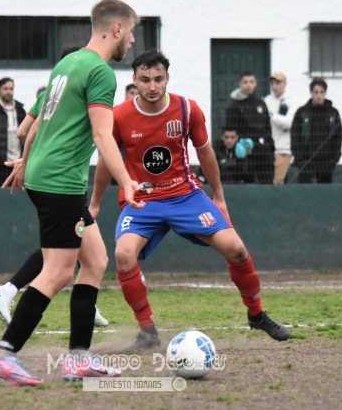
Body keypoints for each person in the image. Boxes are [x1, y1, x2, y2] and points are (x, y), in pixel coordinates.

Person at [0, 0, 143, 387]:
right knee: (56, 272)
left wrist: (24, 161)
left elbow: (27, 128)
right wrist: (127, 181)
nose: (134, 41)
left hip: (46, 176)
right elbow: (104, 135)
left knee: (95, 259)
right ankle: (3, 354)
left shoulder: (67, 64)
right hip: (59, 183)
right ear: (117, 29)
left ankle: (78, 359)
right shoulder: (101, 73)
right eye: (133, 31)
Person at [90, 49, 291, 351]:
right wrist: (94, 203)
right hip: (144, 202)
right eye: (145, 80)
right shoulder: (119, 116)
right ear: (134, 80)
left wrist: (219, 196)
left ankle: (257, 314)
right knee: (123, 254)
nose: (152, 86)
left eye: (158, 79)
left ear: (167, 78)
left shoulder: (188, 109)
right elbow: (106, 159)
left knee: (236, 250)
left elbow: (205, 152)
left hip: (186, 196)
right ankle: (147, 331)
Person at [225, 71, 275, 184]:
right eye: (245, 82)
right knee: (248, 182)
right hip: (245, 152)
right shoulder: (234, 105)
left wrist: (270, 146)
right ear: (240, 84)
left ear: (255, 83)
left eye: (251, 82)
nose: (248, 85)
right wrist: (236, 148)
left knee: (267, 182)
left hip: (263, 152)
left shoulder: (261, 103)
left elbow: (267, 127)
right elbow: (230, 130)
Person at [291, 78, 342, 184]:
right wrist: (299, 158)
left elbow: (338, 137)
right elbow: (295, 136)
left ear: (325, 93)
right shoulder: (302, 112)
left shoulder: (333, 113)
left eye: (321, 92)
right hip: (306, 163)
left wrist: (334, 158)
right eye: (316, 92)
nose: (319, 95)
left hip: (326, 163)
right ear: (311, 93)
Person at [264, 72, 297, 185]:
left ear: (285, 84)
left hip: (283, 149)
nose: (274, 86)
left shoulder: (291, 101)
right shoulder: (267, 100)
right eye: (272, 83)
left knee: (277, 181)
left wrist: (272, 115)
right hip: (268, 148)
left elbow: (289, 123)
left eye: (278, 83)